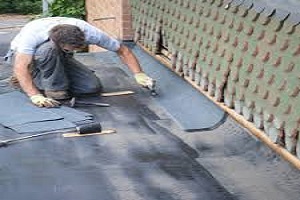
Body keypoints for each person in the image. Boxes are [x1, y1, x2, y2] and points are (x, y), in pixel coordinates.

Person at [6, 17, 154, 107]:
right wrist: (34, 95)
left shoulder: (88, 31)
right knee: (48, 50)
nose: (77, 49)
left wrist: (139, 74)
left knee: (90, 87)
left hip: (59, 56)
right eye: (73, 48)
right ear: (60, 43)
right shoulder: (33, 35)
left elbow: (123, 50)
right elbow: (21, 67)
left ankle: (45, 79)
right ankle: (54, 90)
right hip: (28, 58)